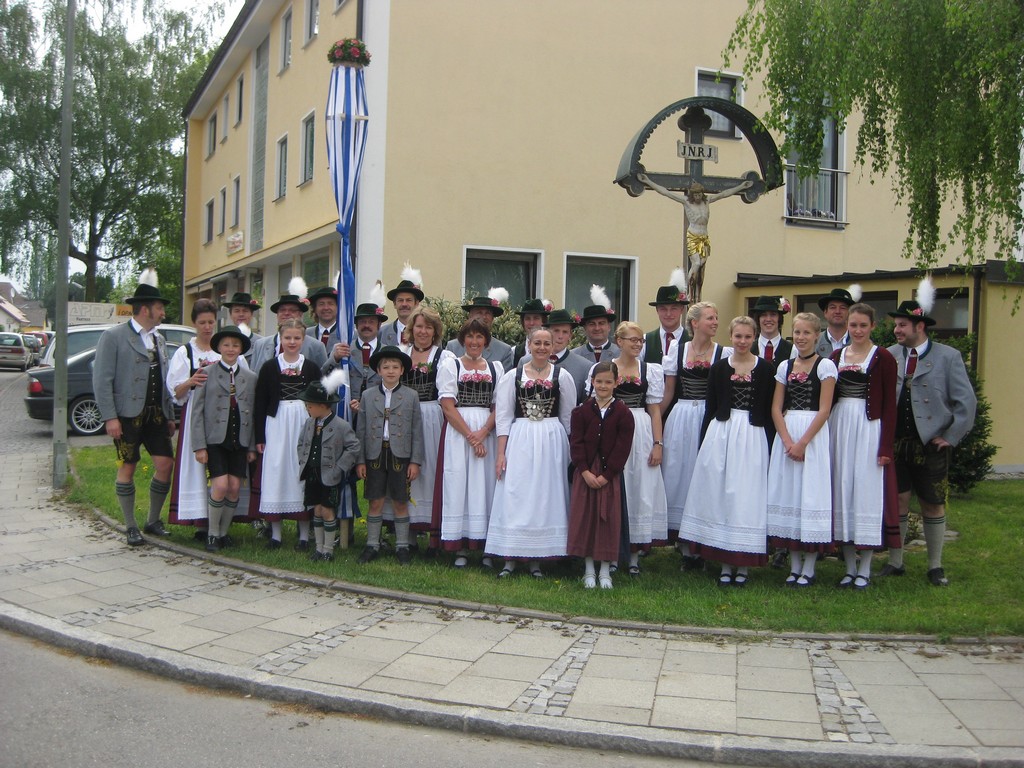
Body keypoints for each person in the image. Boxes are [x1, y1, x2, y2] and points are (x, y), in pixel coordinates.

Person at [885, 288, 976, 586]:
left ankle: (935, 566)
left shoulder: (948, 357)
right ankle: (896, 562)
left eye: (901, 325)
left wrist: (951, 435)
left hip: (931, 443)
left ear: (919, 326)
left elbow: (966, 403)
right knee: (898, 501)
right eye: (896, 325)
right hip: (896, 442)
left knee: (932, 502)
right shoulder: (889, 355)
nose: (896, 329)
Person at [679, 316, 774, 587]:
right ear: (730, 337)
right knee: (720, 494)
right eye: (737, 336)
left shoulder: (766, 369)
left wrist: (768, 444)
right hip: (721, 432)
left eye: (747, 337)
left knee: (745, 496)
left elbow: (767, 411)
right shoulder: (720, 367)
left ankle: (743, 564)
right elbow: (710, 407)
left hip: (752, 435)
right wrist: (703, 444)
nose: (742, 341)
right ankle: (723, 561)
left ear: (754, 337)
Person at [93, 269, 177, 547]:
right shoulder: (114, 336)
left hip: (155, 415)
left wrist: (169, 414)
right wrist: (110, 418)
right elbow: (102, 380)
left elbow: (164, 381)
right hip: (126, 417)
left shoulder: (159, 339)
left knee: (165, 464)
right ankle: (130, 526)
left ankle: (153, 520)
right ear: (145, 309)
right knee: (127, 467)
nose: (163, 313)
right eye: (159, 308)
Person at [486, 328, 575, 578]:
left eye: (547, 343)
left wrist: (569, 452)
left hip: (551, 439)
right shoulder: (512, 376)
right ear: (528, 345)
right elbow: (503, 418)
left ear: (553, 346)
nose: (542, 347)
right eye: (537, 342)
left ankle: (538, 558)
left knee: (545, 495)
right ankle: (510, 556)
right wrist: (501, 454)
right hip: (521, 437)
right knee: (516, 493)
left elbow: (568, 417)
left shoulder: (562, 376)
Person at [829, 303, 900, 589]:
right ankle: (848, 566)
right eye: (853, 325)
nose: (857, 330)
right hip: (840, 425)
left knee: (866, 493)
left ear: (872, 326)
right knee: (842, 490)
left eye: (862, 325)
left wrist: (885, 447)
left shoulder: (882, 357)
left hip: (869, 427)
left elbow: (889, 407)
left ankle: (866, 567)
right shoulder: (835, 356)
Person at [766, 312, 837, 587]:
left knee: (810, 495)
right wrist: (786, 441)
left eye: (807, 333)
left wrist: (803, 442)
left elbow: (825, 409)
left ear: (817, 336)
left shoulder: (825, 367)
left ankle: (809, 565)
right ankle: (794, 564)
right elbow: (775, 406)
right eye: (797, 333)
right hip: (788, 430)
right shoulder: (784, 366)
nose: (801, 338)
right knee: (790, 495)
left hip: (812, 435)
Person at [597, 321, 669, 572]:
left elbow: (655, 410)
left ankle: (636, 555)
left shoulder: (650, 370)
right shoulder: (607, 368)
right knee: (616, 486)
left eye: (640, 340)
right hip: (613, 427)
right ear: (620, 342)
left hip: (641, 429)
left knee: (640, 488)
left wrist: (658, 443)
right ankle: (614, 552)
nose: (637, 344)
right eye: (632, 340)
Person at [661, 301, 732, 549]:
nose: (715, 323)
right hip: (681, 414)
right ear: (695, 323)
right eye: (710, 318)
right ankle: (681, 539)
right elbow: (669, 392)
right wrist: (653, 423)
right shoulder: (676, 351)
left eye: (716, 318)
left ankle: (702, 535)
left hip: (709, 415)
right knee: (678, 471)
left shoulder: (725, 353)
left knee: (704, 471)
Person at [436, 319, 502, 565]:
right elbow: (447, 406)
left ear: (486, 341)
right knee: (459, 484)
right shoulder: (451, 366)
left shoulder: (495, 368)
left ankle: (486, 546)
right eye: (470, 337)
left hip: (488, 430)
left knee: (485, 485)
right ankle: (460, 545)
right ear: (463, 340)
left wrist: (484, 432)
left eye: (479, 337)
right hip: (459, 432)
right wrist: (471, 437)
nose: (474, 342)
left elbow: (500, 405)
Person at [253, 318, 322, 549]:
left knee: (299, 471)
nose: (292, 342)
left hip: (303, 422)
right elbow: (260, 404)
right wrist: (259, 438)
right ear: (280, 339)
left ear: (303, 339)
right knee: (276, 471)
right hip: (276, 423)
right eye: (287, 338)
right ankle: (276, 534)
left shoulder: (311, 367)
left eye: (296, 338)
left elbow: (319, 401)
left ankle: (303, 535)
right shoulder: (270, 367)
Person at [190, 326, 258, 552]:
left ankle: (224, 531)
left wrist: (250, 446)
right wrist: (199, 445)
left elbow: (252, 412)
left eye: (235, 345)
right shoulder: (206, 373)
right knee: (219, 485)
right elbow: (197, 411)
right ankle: (211, 533)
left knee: (235, 486)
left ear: (241, 349)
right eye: (226, 345)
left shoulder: (250, 377)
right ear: (218, 347)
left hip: (239, 439)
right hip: (215, 439)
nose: (231, 349)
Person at [568, 362, 634, 590]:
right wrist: (584, 471)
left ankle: (605, 570)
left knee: (607, 520)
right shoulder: (581, 411)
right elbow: (575, 443)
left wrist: (607, 475)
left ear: (616, 383)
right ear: (592, 382)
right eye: (599, 382)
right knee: (586, 518)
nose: (603, 386)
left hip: (609, 475)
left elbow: (622, 448)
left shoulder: (624, 413)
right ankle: (588, 569)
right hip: (585, 473)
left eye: (608, 382)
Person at [356, 346, 424, 565]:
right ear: (379, 370)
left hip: (400, 454)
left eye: (395, 367)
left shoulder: (411, 396)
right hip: (375, 453)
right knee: (375, 500)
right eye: (386, 367)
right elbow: (361, 430)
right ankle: (372, 544)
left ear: (402, 370)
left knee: (400, 500)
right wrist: (360, 460)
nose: (391, 371)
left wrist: (415, 461)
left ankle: (402, 546)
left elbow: (416, 430)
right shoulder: (368, 395)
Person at [637, 174, 753, 302]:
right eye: (695, 195)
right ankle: (688, 292)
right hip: (693, 235)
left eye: (699, 195)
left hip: (704, 237)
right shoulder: (686, 202)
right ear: (692, 194)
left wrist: (742, 186)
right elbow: (666, 192)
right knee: (696, 263)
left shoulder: (707, 201)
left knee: (702, 266)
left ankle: (696, 295)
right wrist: (647, 181)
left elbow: (724, 194)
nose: (697, 197)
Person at [167, 299, 227, 539]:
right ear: (194, 323)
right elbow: (175, 391)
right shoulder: (186, 352)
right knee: (197, 467)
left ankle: (219, 521)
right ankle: (200, 521)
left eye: (211, 322)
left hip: (222, 413)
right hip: (197, 413)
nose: (207, 327)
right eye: (202, 322)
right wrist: (190, 381)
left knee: (221, 467)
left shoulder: (223, 348)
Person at [396, 305, 454, 537]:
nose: (423, 331)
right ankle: (406, 532)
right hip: (405, 416)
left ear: (435, 331)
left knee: (430, 469)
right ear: (411, 328)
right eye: (419, 326)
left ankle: (433, 531)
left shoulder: (444, 357)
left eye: (428, 327)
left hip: (432, 416)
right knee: (405, 469)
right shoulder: (401, 352)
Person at [297, 371, 362, 561]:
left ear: (323, 406)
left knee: (327, 510)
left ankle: (328, 549)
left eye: (310, 405)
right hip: (312, 472)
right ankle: (318, 548)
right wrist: (304, 460)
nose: (307, 408)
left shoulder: (341, 426)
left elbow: (353, 446)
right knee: (316, 509)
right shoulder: (309, 423)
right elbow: (301, 443)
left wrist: (340, 467)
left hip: (330, 474)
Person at [249, 278, 328, 372]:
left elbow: (322, 377)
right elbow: (254, 377)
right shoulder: (260, 344)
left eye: (292, 310)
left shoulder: (316, 346)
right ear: (277, 314)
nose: (286, 313)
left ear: (300, 314)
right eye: (282, 310)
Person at [445, 291, 515, 371]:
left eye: (487, 313)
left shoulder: (504, 351)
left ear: (492, 318)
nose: (484, 317)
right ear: (470, 316)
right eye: (479, 312)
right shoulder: (453, 347)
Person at [540, 308, 592, 405]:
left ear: (570, 335)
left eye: (565, 332)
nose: (560, 336)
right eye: (556, 331)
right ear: (547, 332)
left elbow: (586, 404)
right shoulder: (527, 361)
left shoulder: (584, 366)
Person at [643, 274, 690, 365]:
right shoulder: (645, 341)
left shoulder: (692, 340)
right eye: (663, 309)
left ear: (682, 310)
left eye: (674, 308)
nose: (668, 314)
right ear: (657, 310)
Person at [571, 285, 619, 365]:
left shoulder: (621, 354)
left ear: (609, 326)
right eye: (592, 324)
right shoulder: (573, 355)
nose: (597, 328)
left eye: (601, 323)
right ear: (585, 328)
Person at [379, 265, 423, 347]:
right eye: (400, 300)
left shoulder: (426, 334)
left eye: (409, 300)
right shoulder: (382, 333)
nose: (404, 304)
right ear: (394, 304)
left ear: (416, 303)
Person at [751, 295, 794, 368]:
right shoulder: (748, 348)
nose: (768, 319)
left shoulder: (793, 350)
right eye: (764, 315)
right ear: (758, 319)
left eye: (773, 315)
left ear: (779, 319)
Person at [221, 292, 263, 366]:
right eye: (237, 311)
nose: (241, 314)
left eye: (245, 311)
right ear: (231, 314)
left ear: (251, 314)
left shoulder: (261, 343)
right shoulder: (221, 341)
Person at [815, 287, 857, 358]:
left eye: (843, 308)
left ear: (850, 313)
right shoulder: (814, 341)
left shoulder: (858, 340)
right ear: (825, 312)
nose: (837, 311)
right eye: (833, 307)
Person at [512, 298, 552, 366]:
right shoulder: (514, 352)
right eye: (527, 318)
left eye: (536, 318)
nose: (531, 323)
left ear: (543, 321)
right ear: (523, 322)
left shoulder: (551, 351)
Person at [306, 284, 343, 351]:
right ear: (315, 309)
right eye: (321, 304)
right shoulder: (305, 334)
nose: (326, 308)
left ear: (338, 308)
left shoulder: (348, 335)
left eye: (330, 303)